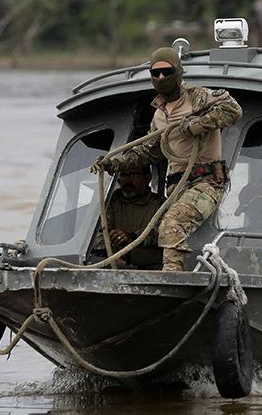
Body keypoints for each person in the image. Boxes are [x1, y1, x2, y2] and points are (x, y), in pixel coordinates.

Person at [93, 47, 242, 271]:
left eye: (167, 71)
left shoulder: (198, 98)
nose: (161, 77)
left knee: (173, 223)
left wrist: (197, 124)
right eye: (156, 73)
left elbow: (233, 109)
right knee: (157, 227)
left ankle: (172, 277)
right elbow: (148, 150)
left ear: (179, 72)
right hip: (176, 186)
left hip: (206, 182)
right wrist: (115, 164)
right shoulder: (159, 114)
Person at [90, 165, 164, 267]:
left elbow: (161, 234)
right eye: (123, 175)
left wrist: (132, 237)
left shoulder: (160, 205)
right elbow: (96, 232)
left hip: (151, 269)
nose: (127, 180)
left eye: (132, 175)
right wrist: (110, 251)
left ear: (147, 177)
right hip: (115, 265)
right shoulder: (110, 202)